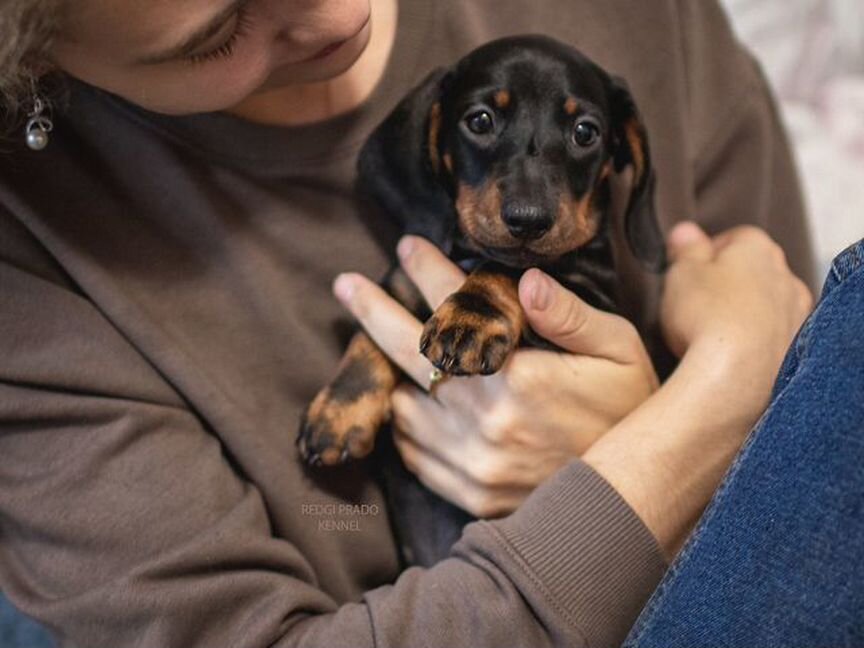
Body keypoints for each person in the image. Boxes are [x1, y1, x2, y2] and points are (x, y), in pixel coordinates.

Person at [0, 0, 818, 647]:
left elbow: (819, 494)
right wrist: (717, 406)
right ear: (33, 64)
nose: (338, 16)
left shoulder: (651, 25)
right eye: (214, 34)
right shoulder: (31, 276)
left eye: (579, 135)